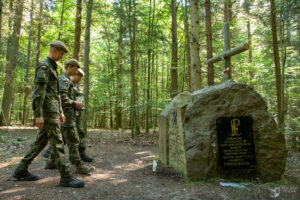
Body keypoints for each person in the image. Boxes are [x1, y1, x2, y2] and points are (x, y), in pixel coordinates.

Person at [13, 40, 85, 188]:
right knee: (58, 142)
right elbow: (39, 93)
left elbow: (55, 93)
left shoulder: (53, 68)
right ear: (53, 50)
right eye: (60, 52)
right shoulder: (44, 67)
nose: (62, 56)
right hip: (47, 111)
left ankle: (21, 169)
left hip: (53, 111)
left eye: (64, 54)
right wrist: (38, 115)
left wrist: (60, 111)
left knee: (40, 142)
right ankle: (65, 176)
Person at [44, 59, 94, 174]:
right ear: (70, 67)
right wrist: (74, 103)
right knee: (73, 140)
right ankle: (79, 165)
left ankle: (51, 161)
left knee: (65, 139)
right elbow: (62, 97)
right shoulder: (64, 80)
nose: (76, 72)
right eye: (75, 69)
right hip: (66, 115)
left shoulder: (68, 81)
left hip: (68, 115)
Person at [72, 68, 94, 162]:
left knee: (80, 133)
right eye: (79, 77)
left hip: (77, 113)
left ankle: (81, 154)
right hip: (69, 114)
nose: (80, 79)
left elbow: (78, 97)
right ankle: (51, 155)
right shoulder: (66, 83)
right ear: (74, 74)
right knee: (66, 136)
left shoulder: (76, 85)